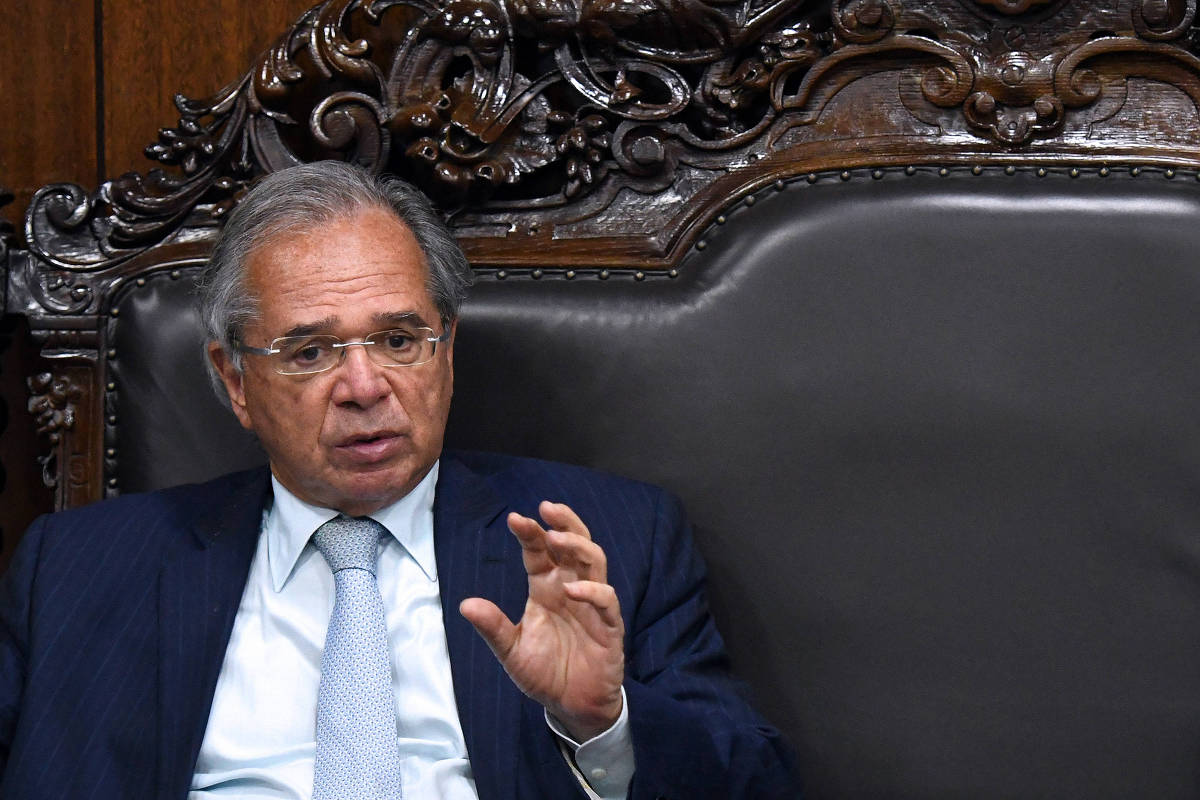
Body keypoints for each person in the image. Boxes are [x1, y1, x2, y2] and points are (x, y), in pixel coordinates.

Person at [0, 161, 799, 799]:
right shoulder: (78, 568)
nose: (364, 386)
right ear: (235, 381)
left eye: (397, 339)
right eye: (310, 352)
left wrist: (603, 723)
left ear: (446, 353)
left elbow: (754, 785)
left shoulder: (608, 538)